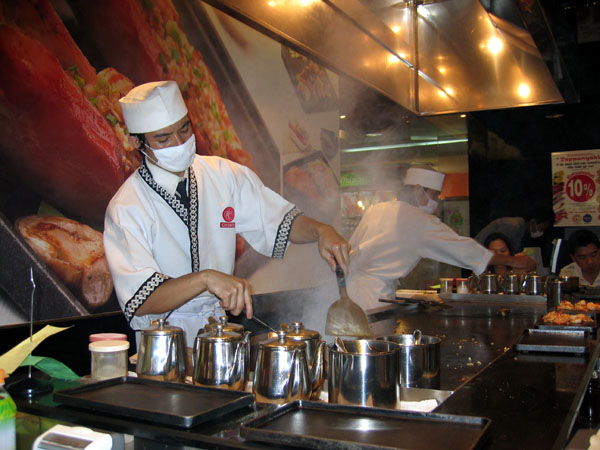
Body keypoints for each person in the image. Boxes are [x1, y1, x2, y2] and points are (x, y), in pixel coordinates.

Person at [103, 81, 350, 347]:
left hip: (217, 335)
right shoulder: (126, 207)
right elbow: (141, 299)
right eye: (163, 138)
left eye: (184, 129)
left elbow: (279, 221)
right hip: (161, 344)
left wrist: (320, 230)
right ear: (135, 143)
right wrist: (206, 279)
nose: (180, 143)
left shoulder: (223, 175)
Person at [345, 166, 537, 309]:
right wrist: (513, 261)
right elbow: (464, 250)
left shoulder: (377, 209)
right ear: (418, 190)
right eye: (434, 195)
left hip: (349, 295)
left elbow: (349, 250)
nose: (435, 203)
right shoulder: (418, 221)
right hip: (375, 300)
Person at [474, 207, 555, 266]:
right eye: (541, 228)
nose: (541, 232)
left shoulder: (520, 229)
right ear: (533, 222)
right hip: (479, 259)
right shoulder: (512, 226)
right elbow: (499, 252)